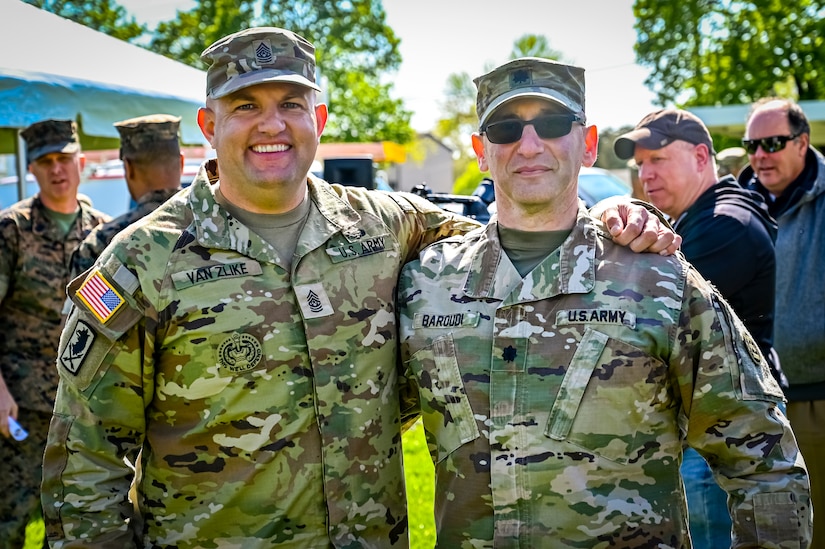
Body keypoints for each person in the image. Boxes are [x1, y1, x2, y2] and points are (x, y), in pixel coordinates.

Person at [40, 28, 677, 547]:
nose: (272, 125)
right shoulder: (145, 259)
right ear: (208, 124)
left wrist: (608, 219)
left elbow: (514, 225)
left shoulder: (385, 225)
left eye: (290, 104)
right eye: (246, 106)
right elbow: (85, 461)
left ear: (317, 117)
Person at [398, 57, 811, 548]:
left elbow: (763, 459)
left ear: (588, 144)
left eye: (552, 124)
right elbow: (355, 426)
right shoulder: (426, 284)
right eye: (506, 129)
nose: (528, 145)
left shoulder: (658, 277)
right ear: (481, 152)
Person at [614, 108, 786, 547]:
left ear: (701, 155)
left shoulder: (724, 224)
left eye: (658, 159)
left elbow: (640, 310)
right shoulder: (698, 218)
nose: (646, 175)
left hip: (720, 442)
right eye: (641, 165)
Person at [0, 119, 109, 547]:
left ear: (80, 162)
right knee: (10, 522)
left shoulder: (104, 232)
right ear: (33, 170)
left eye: (64, 158)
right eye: (45, 161)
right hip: (22, 410)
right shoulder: (12, 230)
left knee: (75, 525)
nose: (56, 169)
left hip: (84, 409)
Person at [738, 97, 825, 548]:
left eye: (772, 143)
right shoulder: (736, 208)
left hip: (817, 398)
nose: (759, 155)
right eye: (751, 144)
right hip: (753, 408)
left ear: (802, 142)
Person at [70, 114, 185, 277]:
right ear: (181, 163)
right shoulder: (218, 225)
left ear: (128, 168)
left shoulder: (103, 243)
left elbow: (87, 302)